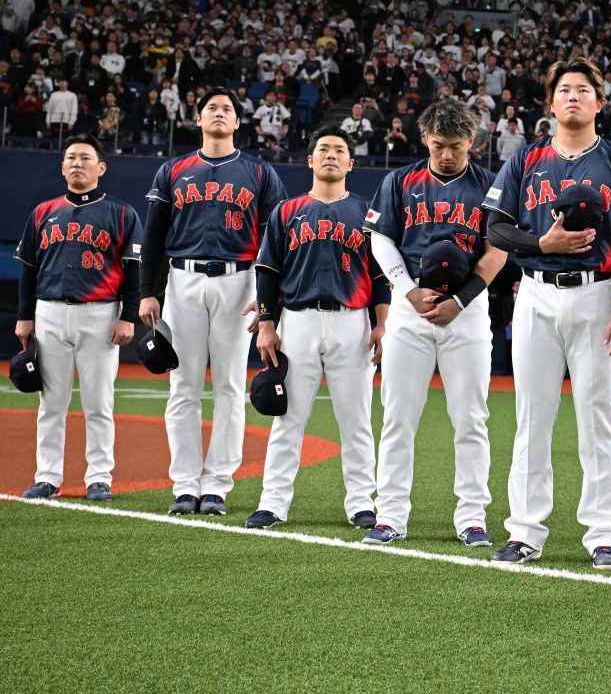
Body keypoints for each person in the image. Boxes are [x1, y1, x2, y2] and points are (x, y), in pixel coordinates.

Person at [484, 57, 611, 570]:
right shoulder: (526, 160)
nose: (574, 96)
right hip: (535, 292)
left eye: (584, 90)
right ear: (552, 102)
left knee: (596, 416)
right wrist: (542, 241)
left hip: (598, 294)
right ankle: (525, 532)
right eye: (565, 90)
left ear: (600, 104)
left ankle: (604, 534)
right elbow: (495, 230)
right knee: (532, 417)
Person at [361, 99, 509, 547]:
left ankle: (472, 516)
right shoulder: (400, 181)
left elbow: (497, 250)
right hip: (410, 309)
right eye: (439, 145)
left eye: (456, 146)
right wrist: (407, 290)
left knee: (471, 418)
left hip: (466, 310)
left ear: (473, 142)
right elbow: (381, 239)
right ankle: (390, 515)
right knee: (399, 417)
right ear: (425, 138)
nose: (447, 154)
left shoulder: (490, 184)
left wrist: (461, 301)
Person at [138, 89, 285, 516]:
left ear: (238, 122)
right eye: (211, 109)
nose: (219, 114)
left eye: (227, 110)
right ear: (198, 120)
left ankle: (217, 484)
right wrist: (149, 290)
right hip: (181, 280)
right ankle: (185, 484)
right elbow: (152, 237)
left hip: (239, 283)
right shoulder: (173, 169)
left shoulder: (259, 172)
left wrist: (266, 297)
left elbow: (274, 240)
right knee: (182, 386)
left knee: (229, 386)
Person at [245, 126, 391, 531]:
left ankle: (361, 502)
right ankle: (273, 503)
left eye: (338, 150)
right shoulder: (286, 212)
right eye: (322, 148)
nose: (330, 154)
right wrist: (268, 324)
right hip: (298, 321)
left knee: (356, 419)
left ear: (350, 163)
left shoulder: (367, 213)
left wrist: (382, 322)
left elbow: (380, 275)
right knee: (288, 417)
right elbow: (268, 272)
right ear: (310, 160)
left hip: (352, 322)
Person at [14, 135, 141, 502]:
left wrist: (127, 317)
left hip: (100, 315)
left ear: (101, 168)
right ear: (62, 167)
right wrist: (25, 317)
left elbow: (133, 273)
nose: (77, 163)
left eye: (85, 158)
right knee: (50, 402)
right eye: (70, 157)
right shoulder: (42, 212)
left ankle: (99, 477)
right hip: (49, 312)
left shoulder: (121, 213)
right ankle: (47, 476)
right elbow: (27, 271)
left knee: (98, 402)